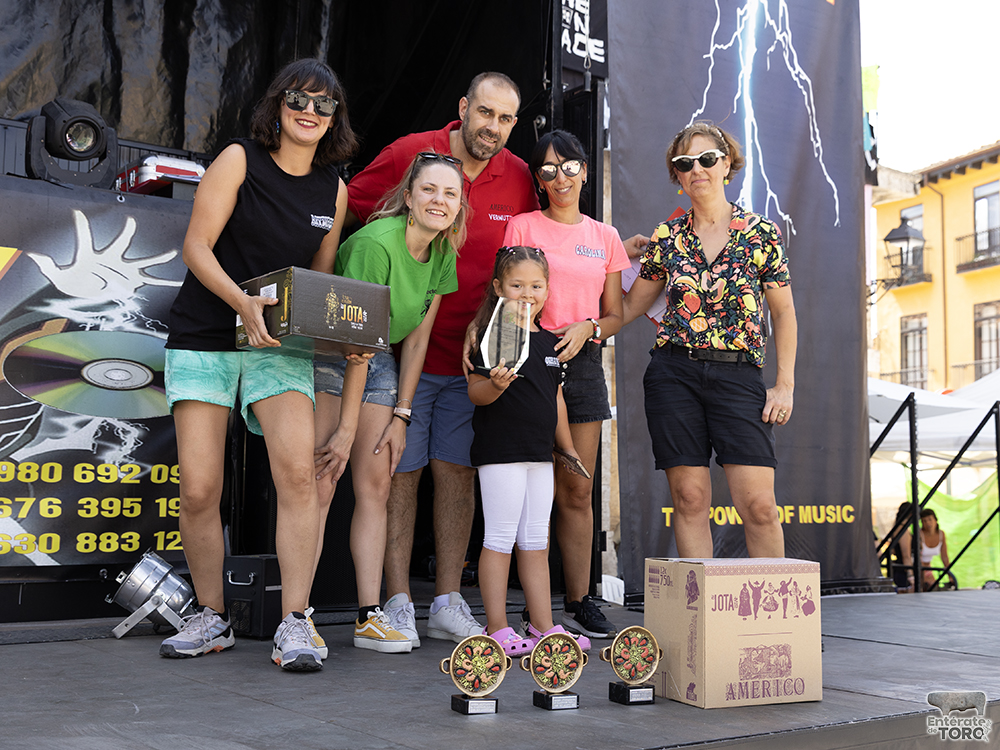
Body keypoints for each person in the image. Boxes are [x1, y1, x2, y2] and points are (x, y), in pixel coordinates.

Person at [160, 59, 357, 671]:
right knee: (199, 490)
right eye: (299, 98)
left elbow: (316, 284)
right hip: (207, 333)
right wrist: (242, 303)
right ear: (278, 102)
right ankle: (212, 616)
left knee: (298, 477)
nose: (310, 111)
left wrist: (338, 336)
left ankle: (295, 624)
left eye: (324, 106)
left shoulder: (335, 188)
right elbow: (196, 245)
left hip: (279, 346)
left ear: (334, 121)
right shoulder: (240, 158)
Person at [344, 72, 537, 646]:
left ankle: (447, 600)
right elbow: (349, 204)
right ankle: (398, 600)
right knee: (400, 473)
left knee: (457, 471)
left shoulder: (522, 176)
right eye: (484, 113)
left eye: (505, 119)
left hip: (474, 358)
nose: (492, 128)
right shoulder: (411, 152)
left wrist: (610, 256)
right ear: (463, 108)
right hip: (397, 353)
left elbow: (539, 243)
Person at [485, 129, 645, 640]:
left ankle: (579, 599)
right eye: (548, 170)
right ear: (538, 179)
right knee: (525, 485)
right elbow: (507, 296)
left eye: (569, 166)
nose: (560, 178)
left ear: (585, 170)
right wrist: (510, 355)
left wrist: (589, 327)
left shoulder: (605, 237)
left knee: (577, 489)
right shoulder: (522, 226)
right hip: (526, 360)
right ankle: (527, 614)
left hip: (583, 362)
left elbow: (616, 313)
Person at [312, 152, 468, 652]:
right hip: (331, 354)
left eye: (450, 194)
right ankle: (298, 614)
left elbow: (417, 339)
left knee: (375, 485)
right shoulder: (375, 244)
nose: (439, 201)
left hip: (378, 358)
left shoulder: (444, 253)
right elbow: (353, 343)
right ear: (408, 196)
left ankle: (368, 616)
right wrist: (345, 429)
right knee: (322, 480)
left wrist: (403, 413)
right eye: (429, 190)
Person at [623, 121, 798, 559]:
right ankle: (697, 621)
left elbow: (784, 312)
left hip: (739, 375)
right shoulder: (667, 238)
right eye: (685, 163)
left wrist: (785, 384)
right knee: (690, 500)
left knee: (759, 507)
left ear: (726, 164)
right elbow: (627, 308)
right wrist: (585, 322)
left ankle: (773, 624)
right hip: (674, 374)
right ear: (678, 176)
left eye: (706, 159)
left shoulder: (761, 234)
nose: (696, 168)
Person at [467, 246, 586, 655]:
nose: (527, 293)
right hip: (501, 453)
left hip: (540, 455)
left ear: (548, 289)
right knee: (499, 539)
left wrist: (566, 448)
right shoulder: (492, 335)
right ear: (499, 287)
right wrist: (495, 385)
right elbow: (476, 393)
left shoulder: (551, 343)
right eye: (517, 285)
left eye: (536, 285)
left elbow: (554, 399)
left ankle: (543, 626)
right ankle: (496, 627)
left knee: (536, 539)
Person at [919, 508, 950, 590]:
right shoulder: (919, 534)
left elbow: (944, 557)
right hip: (918, 567)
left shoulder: (941, 534)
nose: (927, 523)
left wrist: (949, 575)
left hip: (928, 568)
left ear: (935, 520)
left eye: (930, 519)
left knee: (934, 587)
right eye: (924, 521)